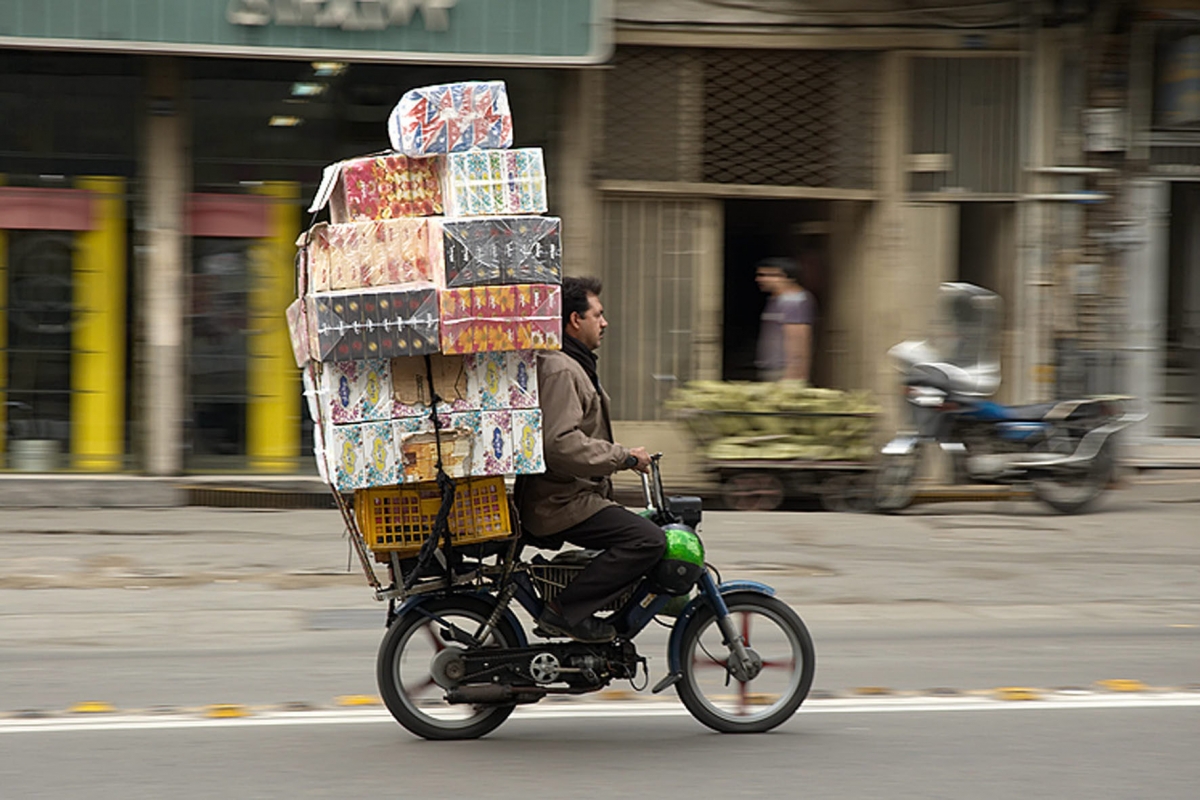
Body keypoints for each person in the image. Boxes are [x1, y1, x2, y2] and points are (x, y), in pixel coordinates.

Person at [514, 276, 666, 643]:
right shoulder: (561, 369)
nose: (605, 322)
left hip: (571, 497)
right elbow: (560, 445)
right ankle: (564, 613)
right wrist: (623, 457)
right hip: (559, 502)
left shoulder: (575, 365)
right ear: (574, 320)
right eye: (598, 314)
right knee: (648, 541)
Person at [754, 256, 815, 383]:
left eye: (767, 275)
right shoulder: (777, 299)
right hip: (772, 367)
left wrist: (793, 375)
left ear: (786, 277)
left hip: (782, 371)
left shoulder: (793, 301)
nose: (760, 279)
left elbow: (798, 336)